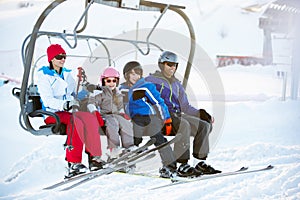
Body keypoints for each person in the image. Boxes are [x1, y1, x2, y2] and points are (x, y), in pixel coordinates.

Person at [145, 51, 221, 176]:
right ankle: (182, 164)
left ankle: (199, 162)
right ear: (161, 65)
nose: (172, 68)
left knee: (203, 125)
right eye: (169, 64)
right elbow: (142, 95)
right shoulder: (151, 80)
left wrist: (199, 113)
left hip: (176, 115)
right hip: (162, 117)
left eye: (175, 65)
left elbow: (185, 106)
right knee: (183, 125)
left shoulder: (176, 84)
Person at [36, 44, 105, 178]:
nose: (62, 59)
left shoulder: (66, 74)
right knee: (76, 121)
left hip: (68, 111)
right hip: (52, 113)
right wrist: (64, 104)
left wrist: (87, 90)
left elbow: (75, 93)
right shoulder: (44, 76)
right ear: (51, 59)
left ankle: (94, 158)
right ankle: (73, 163)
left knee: (90, 118)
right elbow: (47, 100)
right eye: (59, 57)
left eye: (64, 56)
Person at [120, 61, 177, 178]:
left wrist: (166, 119)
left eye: (137, 73)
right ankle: (130, 162)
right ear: (126, 76)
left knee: (157, 137)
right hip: (135, 119)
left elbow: (159, 103)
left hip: (151, 117)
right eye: (132, 74)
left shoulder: (146, 86)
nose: (135, 76)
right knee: (134, 138)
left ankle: (170, 166)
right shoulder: (122, 89)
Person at [87, 66, 135, 161]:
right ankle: (114, 148)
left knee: (127, 124)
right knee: (113, 124)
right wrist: (94, 112)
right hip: (105, 115)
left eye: (114, 81)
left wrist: (122, 113)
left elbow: (120, 106)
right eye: (108, 81)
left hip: (116, 114)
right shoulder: (100, 92)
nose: (111, 83)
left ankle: (129, 147)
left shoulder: (117, 93)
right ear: (103, 81)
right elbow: (91, 103)